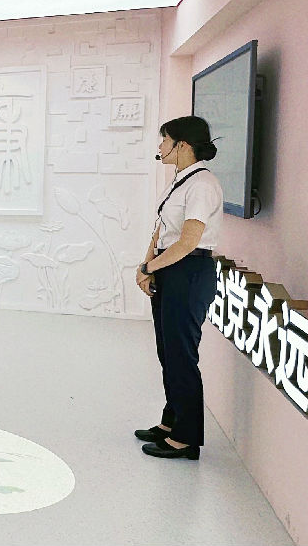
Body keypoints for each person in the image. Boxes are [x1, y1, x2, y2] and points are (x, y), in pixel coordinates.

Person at [134, 115, 223, 461]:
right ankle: (171, 422)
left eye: (165, 140)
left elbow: (188, 241)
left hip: (188, 272)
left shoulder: (202, 184)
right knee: (168, 352)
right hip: (170, 268)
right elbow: (161, 229)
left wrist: (149, 268)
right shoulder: (181, 180)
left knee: (182, 356)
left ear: (182, 145)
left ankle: (186, 438)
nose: (160, 146)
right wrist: (148, 263)